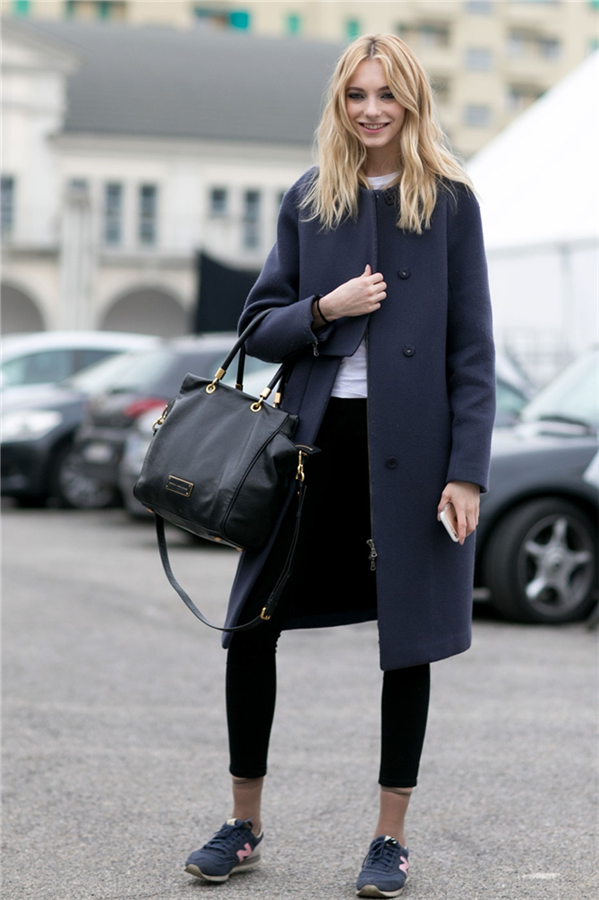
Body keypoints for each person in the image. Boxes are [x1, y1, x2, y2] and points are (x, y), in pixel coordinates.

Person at [184, 33, 495, 898]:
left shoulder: (451, 204)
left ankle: (389, 841)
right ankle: (242, 824)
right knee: (251, 625)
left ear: (412, 101)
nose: (370, 110)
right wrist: (325, 307)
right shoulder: (309, 197)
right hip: (308, 449)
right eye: (356, 95)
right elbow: (257, 328)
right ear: (339, 102)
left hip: (413, 455)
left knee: (408, 642)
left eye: (385, 94)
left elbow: (472, 350)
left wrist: (466, 470)